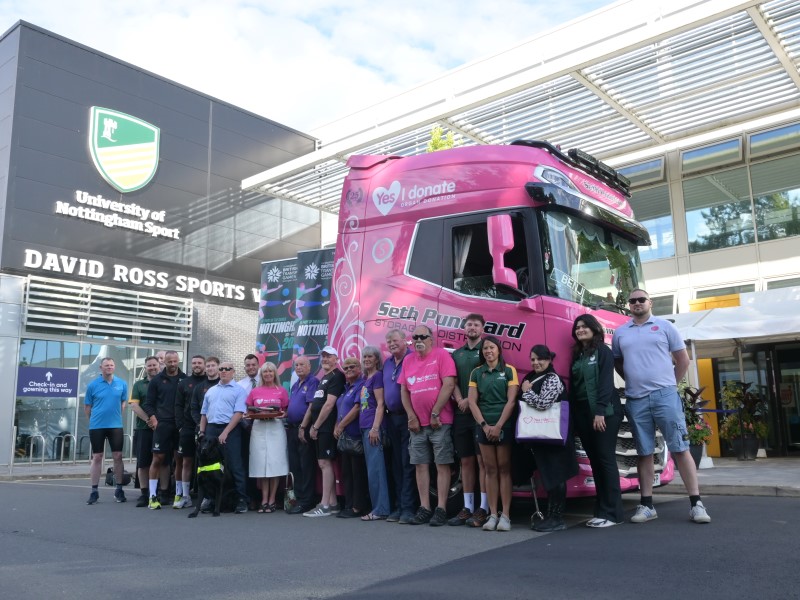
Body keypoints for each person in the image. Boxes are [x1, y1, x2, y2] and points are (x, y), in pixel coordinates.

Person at [612, 289, 711, 524]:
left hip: (665, 396)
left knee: (679, 447)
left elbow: (683, 360)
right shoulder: (620, 333)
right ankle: (647, 505)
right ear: (630, 305)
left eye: (641, 300)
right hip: (636, 399)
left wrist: (668, 385)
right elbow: (618, 362)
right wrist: (634, 382)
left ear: (650, 303)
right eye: (633, 300)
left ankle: (696, 503)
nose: (637, 303)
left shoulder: (665, 326)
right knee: (644, 452)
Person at [399, 325, 457, 527]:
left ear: (431, 339)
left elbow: (449, 384)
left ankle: (441, 508)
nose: (418, 340)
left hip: (439, 422)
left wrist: (435, 412)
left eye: (422, 336)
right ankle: (425, 507)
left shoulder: (441, 355)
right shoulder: (408, 359)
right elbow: (404, 391)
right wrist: (411, 416)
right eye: (414, 337)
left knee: (442, 464)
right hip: (417, 425)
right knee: (420, 465)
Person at [571, 314, 624, 527]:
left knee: (605, 459)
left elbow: (604, 383)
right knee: (595, 462)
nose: (580, 330)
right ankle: (601, 511)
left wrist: (600, 411)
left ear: (594, 329)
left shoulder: (603, 351)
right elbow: (575, 387)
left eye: (584, 326)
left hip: (605, 412)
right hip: (584, 414)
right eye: (577, 327)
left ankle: (614, 514)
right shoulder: (577, 354)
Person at [520, 345, 579, 532]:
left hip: (554, 437)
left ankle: (557, 518)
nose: (536, 362)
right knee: (550, 476)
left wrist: (526, 391)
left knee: (556, 475)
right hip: (544, 436)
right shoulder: (532, 377)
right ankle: (552, 516)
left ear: (549, 360)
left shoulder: (553, 379)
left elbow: (543, 403)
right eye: (533, 359)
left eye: (540, 359)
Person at [467, 336, 519, 531]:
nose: (488, 351)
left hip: (503, 425)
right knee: (489, 469)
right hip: (483, 426)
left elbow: (511, 401)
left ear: (498, 350)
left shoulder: (509, 370)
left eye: (491, 347)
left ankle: (505, 515)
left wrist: (498, 426)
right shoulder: (476, 373)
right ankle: (492, 514)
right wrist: (484, 425)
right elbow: (472, 402)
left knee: (504, 468)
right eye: (485, 348)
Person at [450, 313, 489, 527]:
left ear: (482, 329)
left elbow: (489, 380)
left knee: (483, 462)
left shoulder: (487, 350)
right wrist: (459, 400)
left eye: (476, 324)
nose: (472, 327)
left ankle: (484, 508)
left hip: (480, 414)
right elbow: (452, 381)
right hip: (461, 414)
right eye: (469, 324)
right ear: (464, 328)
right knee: (465, 462)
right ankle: (467, 507)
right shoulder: (457, 354)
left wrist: (469, 400)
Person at [198, 361, 249, 514]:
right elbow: (204, 413)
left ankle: (241, 499)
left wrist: (226, 432)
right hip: (212, 429)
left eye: (227, 369)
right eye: (221, 369)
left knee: (234, 464)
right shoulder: (211, 391)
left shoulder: (239, 390)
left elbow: (239, 413)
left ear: (233, 371)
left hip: (230, 429)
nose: (224, 371)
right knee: (210, 465)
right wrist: (202, 432)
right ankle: (211, 498)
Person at [301, 345, 345, 517]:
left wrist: (316, 426)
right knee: (324, 464)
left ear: (336, 359)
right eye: (323, 356)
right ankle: (333, 503)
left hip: (326, 427)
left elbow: (329, 404)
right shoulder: (324, 377)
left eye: (329, 356)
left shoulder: (337, 376)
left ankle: (324, 504)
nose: (325, 359)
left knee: (325, 464)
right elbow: (316, 404)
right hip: (320, 427)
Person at [142, 350, 185, 509]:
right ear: (164, 362)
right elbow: (148, 404)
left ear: (178, 361)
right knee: (157, 459)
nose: (172, 364)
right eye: (169, 361)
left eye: (175, 361)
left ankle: (178, 495)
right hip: (163, 425)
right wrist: (154, 420)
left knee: (179, 460)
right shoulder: (157, 380)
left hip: (179, 426)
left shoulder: (185, 379)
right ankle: (152, 497)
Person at [381, 328, 416, 524]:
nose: (391, 343)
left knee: (407, 463)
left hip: (408, 418)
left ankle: (408, 508)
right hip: (391, 418)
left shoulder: (412, 359)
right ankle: (398, 507)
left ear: (405, 341)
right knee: (395, 464)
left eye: (395, 340)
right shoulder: (387, 363)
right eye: (389, 341)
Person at [245, 362, 289, 513]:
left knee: (275, 464)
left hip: (275, 428)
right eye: (265, 372)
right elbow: (248, 410)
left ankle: (272, 499)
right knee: (261, 464)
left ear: (275, 373)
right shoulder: (255, 391)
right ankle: (264, 499)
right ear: (261, 374)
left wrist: (284, 414)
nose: (268, 374)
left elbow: (285, 410)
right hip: (259, 428)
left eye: (271, 371)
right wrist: (249, 414)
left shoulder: (282, 391)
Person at [84, 357, 128, 505]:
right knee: (97, 457)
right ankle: (94, 491)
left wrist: (115, 416)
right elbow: (87, 408)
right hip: (97, 426)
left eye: (111, 365)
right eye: (106, 365)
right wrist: (95, 420)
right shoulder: (92, 385)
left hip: (115, 425)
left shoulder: (122, 384)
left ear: (114, 367)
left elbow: (123, 402)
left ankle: (119, 489)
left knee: (118, 456)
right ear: (100, 368)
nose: (109, 367)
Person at [332, 357, 369, 519]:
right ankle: (348, 504)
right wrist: (336, 425)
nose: (348, 370)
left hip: (354, 434)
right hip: (344, 436)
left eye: (352, 367)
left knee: (357, 472)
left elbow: (356, 408)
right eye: (345, 368)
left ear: (359, 368)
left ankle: (357, 506)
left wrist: (341, 426)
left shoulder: (361, 385)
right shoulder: (346, 387)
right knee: (346, 472)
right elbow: (340, 409)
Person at [359, 346, 391, 521]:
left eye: (370, 356)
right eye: (364, 356)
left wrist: (375, 428)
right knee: (372, 470)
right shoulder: (366, 378)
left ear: (377, 359)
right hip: (365, 428)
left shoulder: (377, 376)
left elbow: (380, 404)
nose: (367, 359)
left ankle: (380, 509)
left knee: (376, 470)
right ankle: (378, 507)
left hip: (373, 429)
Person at [285, 355, 319, 514]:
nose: (298, 367)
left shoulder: (312, 382)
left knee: (306, 466)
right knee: (295, 465)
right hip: (291, 428)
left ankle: (307, 501)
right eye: (296, 365)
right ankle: (297, 498)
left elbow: (312, 406)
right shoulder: (295, 384)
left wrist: (303, 427)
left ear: (309, 367)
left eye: (302, 365)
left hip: (303, 429)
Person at [172, 355, 206, 509]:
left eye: (199, 363)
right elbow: (178, 405)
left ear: (204, 365)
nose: (196, 365)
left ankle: (206, 496)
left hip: (205, 428)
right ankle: (185, 496)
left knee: (206, 462)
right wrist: (180, 426)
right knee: (186, 461)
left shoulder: (211, 382)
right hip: (187, 427)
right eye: (194, 363)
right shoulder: (184, 383)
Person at [129, 356, 162, 507]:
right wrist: (149, 420)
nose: (152, 368)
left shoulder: (164, 382)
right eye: (149, 366)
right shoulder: (138, 385)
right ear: (146, 367)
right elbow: (134, 406)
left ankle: (160, 492)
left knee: (161, 461)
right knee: (143, 463)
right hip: (144, 428)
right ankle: (144, 493)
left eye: (154, 365)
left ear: (159, 366)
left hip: (162, 428)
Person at [239, 354, 261, 508]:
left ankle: (267, 497)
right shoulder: (240, 385)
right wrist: (246, 425)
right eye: (248, 365)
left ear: (258, 364)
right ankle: (251, 497)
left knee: (263, 462)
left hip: (265, 425)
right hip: (246, 428)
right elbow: (239, 409)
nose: (251, 367)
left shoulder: (267, 379)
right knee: (248, 463)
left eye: (253, 364)